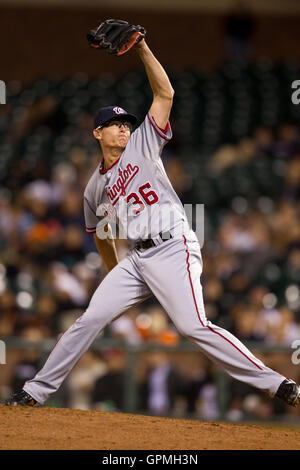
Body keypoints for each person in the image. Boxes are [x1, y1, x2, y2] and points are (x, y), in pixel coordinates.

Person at [6, 36, 300, 409]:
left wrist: (142, 48)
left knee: (194, 326)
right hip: (137, 260)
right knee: (88, 320)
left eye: (125, 123)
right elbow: (100, 234)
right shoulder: (94, 187)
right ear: (97, 133)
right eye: (113, 124)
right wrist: (115, 274)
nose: (123, 128)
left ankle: (276, 383)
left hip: (174, 246)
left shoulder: (142, 143)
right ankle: (35, 392)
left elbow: (166, 94)